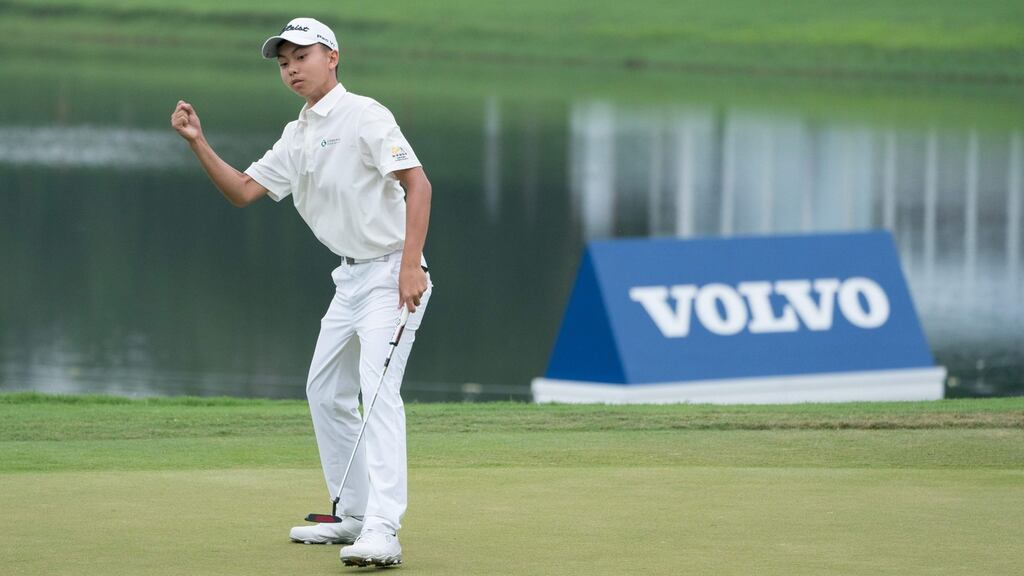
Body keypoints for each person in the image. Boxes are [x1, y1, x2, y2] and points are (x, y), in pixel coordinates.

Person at [170, 17, 432, 568]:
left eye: (301, 56)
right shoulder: (298, 134)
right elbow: (243, 190)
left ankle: (384, 530)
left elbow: (418, 184)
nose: (291, 68)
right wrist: (199, 143)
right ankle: (354, 515)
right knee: (325, 391)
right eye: (284, 61)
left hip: (392, 274)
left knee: (377, 393)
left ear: (332, 57)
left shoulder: (365, 114)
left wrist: (411, 267)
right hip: (350, 277)